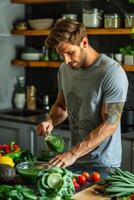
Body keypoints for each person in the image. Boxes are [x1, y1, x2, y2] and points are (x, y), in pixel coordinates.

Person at [37, 19, 128, 169]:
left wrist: (73, 153)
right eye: (62, 55)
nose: (66, 60)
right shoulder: (65, 70)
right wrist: (50, 121)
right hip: (74, 160)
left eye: (70, 52)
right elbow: (61, 105)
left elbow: (111, 124)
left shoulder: (112, 73)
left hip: (103, 165)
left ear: (84, 43)